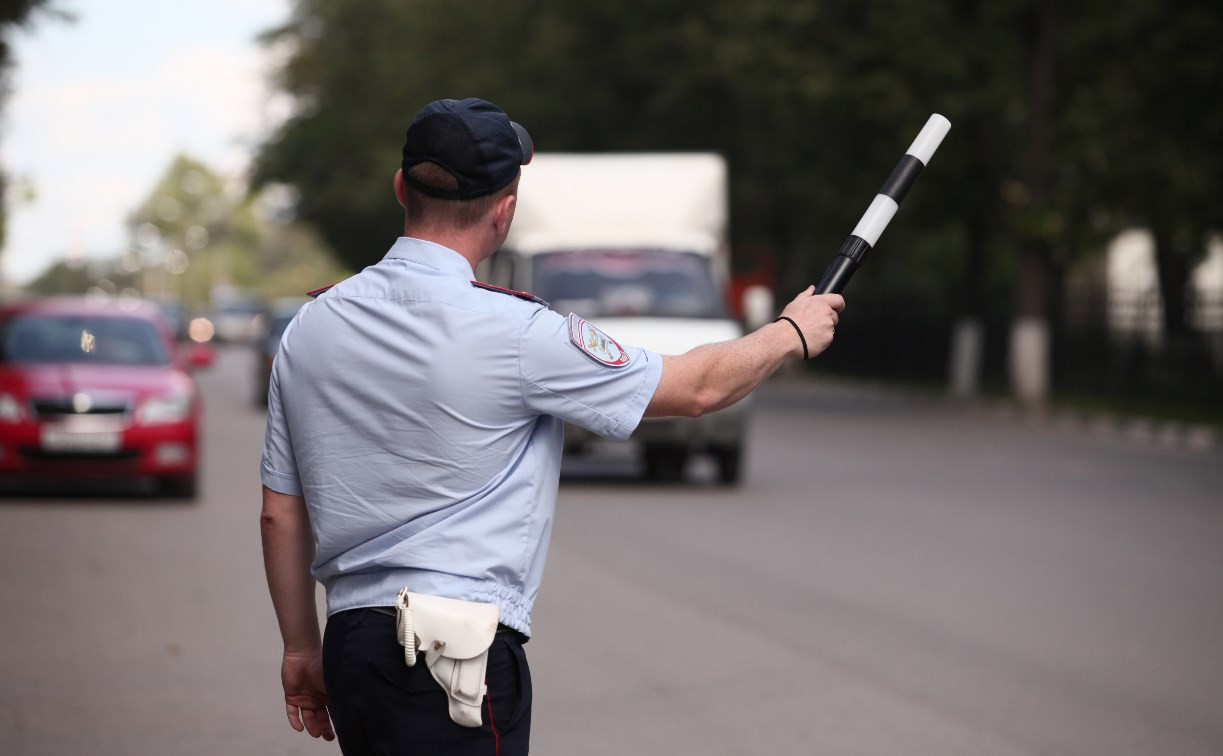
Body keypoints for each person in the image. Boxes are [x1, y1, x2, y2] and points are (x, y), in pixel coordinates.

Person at [260, 97, 844, 755]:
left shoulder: (312, 327)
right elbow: (700, 388)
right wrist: (788, 333)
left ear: (402, 189)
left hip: (350, 647)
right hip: (455, 651)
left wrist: (299, 647)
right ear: (504, 210)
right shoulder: (518, 332)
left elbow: (281, 513)